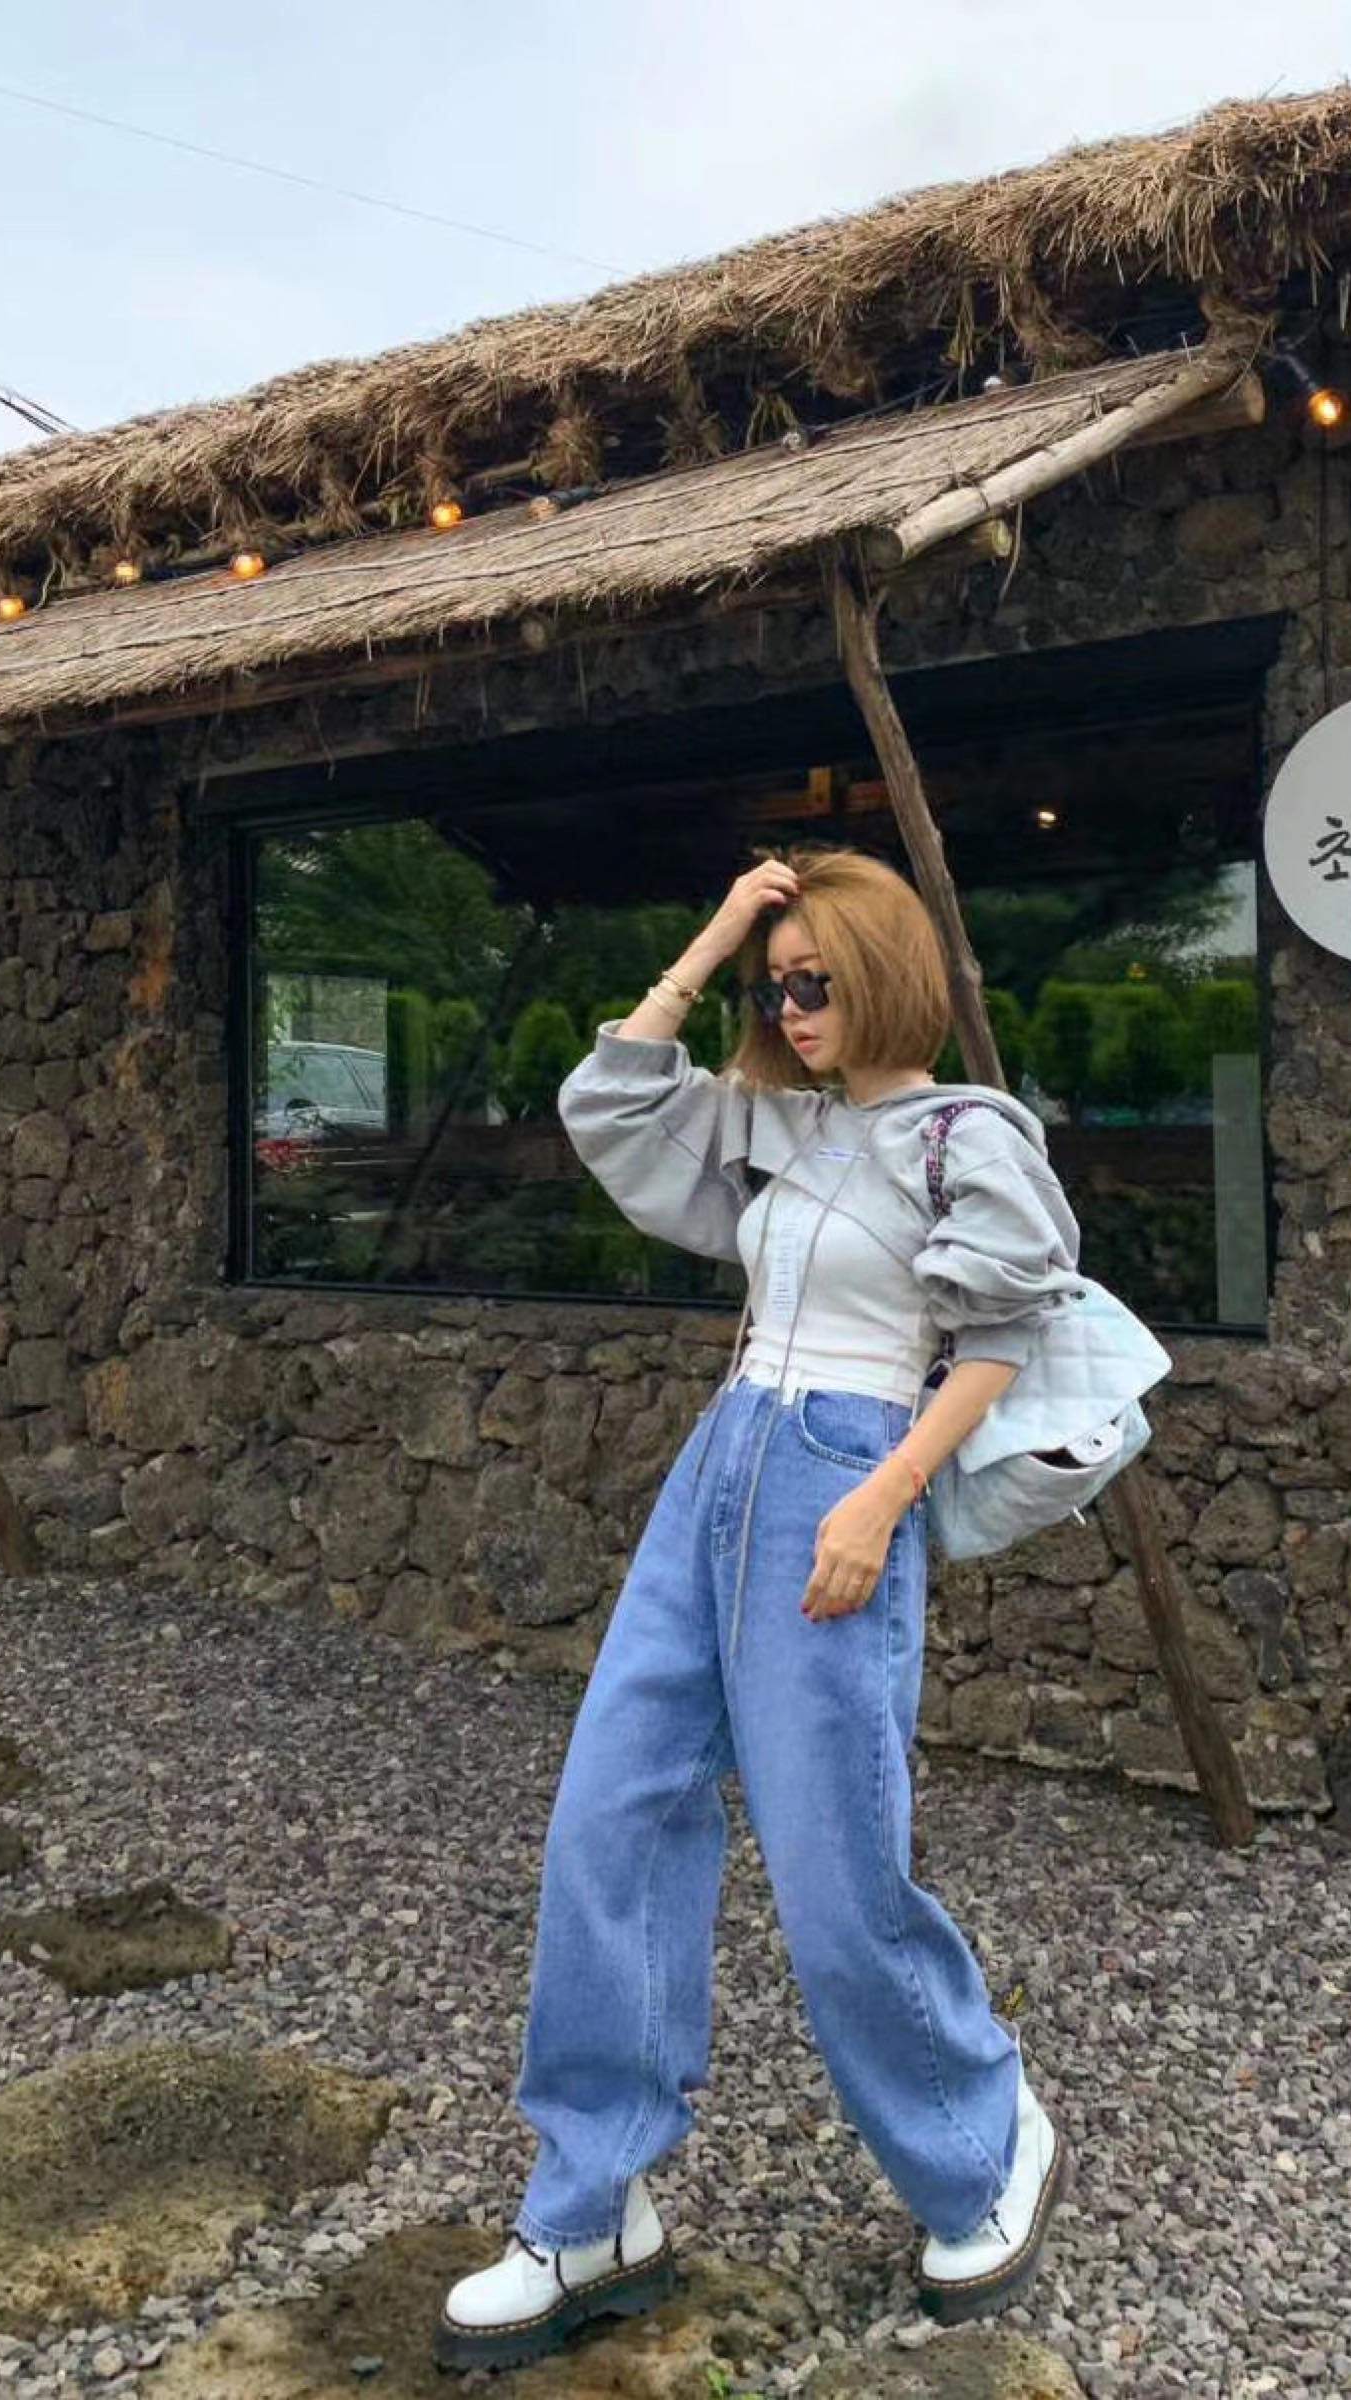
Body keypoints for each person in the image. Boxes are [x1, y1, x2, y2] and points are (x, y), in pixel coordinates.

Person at [435, 844, 1080, 2375]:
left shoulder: (966, 1136)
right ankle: (592, 2204)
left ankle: (986, 2144)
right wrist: (723, 927)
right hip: (722, 1463)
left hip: (848, 1470)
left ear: (886, 977)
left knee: (835, 1869)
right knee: (608, 1819)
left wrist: (882, 1499)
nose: (790, 1009)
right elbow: (612, 1103)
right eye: (776, 987)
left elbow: (1001, 1333)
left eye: (816, 981)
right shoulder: (779, 1124)